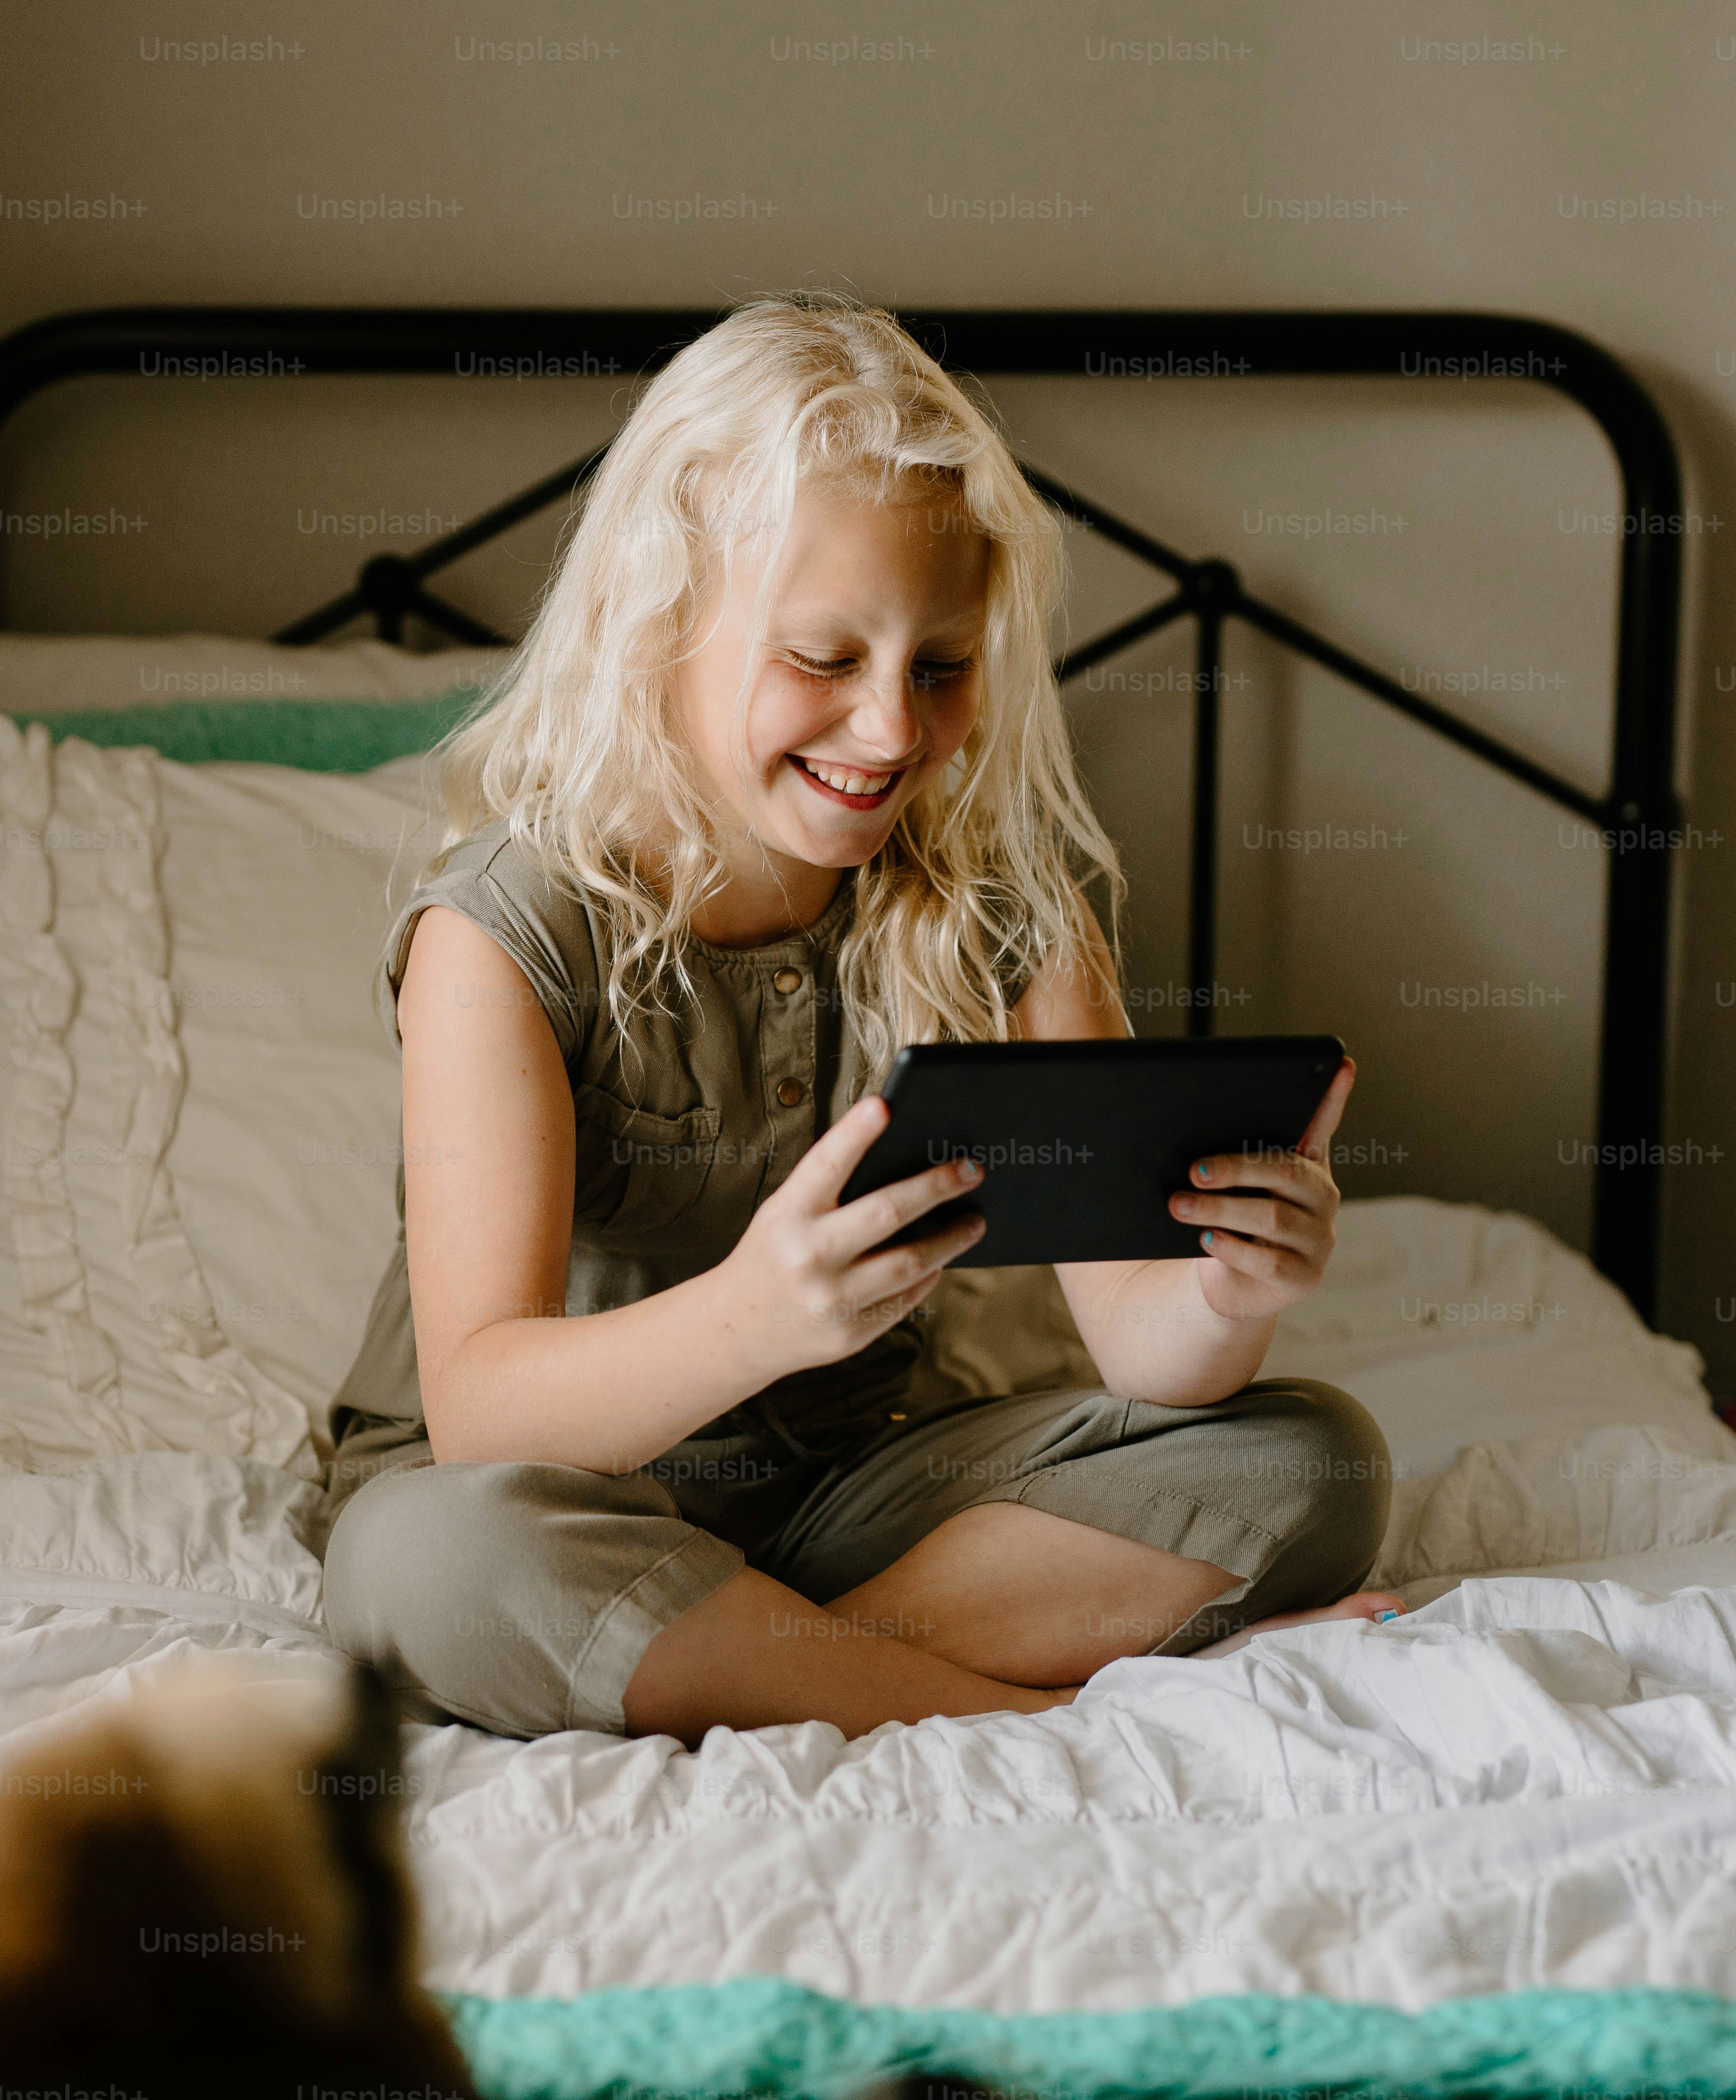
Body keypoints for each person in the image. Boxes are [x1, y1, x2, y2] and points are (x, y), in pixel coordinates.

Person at [316, 295, 1394, 1744]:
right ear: (659, 629)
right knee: (424, 1565)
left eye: (939, 668)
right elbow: (481, 1414)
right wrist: (753, 1320)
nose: (890, 731)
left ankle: (745, 1653)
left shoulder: (1005, 909)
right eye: (823, 661)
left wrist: (1223, 1292)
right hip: (547, 1497)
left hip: (853, 1502)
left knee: (1316, 1462)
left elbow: (1142, 1353)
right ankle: (999, 1699)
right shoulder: (503, 933)